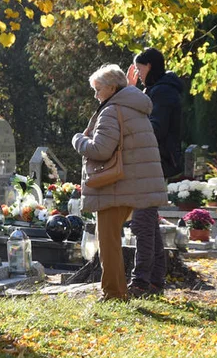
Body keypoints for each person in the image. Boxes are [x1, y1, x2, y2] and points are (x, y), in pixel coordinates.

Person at [73, 64, 167, 300]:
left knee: (108, 241)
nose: (95, 95)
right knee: (145, 234)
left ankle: (114, 293)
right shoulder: (137, 106)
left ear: (112, 88)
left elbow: (101, 150)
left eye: (97, 89)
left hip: (115, 185)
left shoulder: (111, 110)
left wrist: (78, 141)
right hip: (137, 183)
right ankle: (147, 283)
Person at [127, 47, 185, 183]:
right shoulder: (154, 89)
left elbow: (157, 128)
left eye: (139, 69)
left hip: (162, 159)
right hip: (156, 158)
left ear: (149, 66)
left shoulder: (163, 91)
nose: (137, 74)